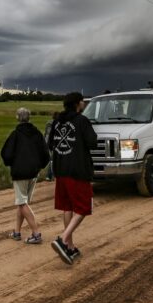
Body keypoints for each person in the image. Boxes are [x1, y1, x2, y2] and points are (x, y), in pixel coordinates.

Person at [48, 92, 97, 265]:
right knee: (83, 208)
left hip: (60, 170)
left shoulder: (57, 121)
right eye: (82, 101)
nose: (83, 103)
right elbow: (92, 142)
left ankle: (69, 246)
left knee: (67, 207)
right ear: (78, 103)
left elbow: (51, 144)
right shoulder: (81, 121)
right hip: (78, 170)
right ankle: (62, 239)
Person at [0, 107, 50, 244]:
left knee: (22, 202)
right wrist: (39, 166)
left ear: (17, 117)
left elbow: (6, 154)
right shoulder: (37, 134)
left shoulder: (15, 134)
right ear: (29, 118)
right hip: (33, 172)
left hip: (20, 172)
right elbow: (46, 154)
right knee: (22, 202)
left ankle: (36, 233)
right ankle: (17, 232)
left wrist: (12, 164)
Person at [43, 111, 58, 181]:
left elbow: (45, 133)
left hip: (46, 142)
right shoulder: (57, 124)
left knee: (51, 159)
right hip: (52, 143)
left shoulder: (48, 123)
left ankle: (51, 175)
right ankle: (50, 176)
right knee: (52, 160)